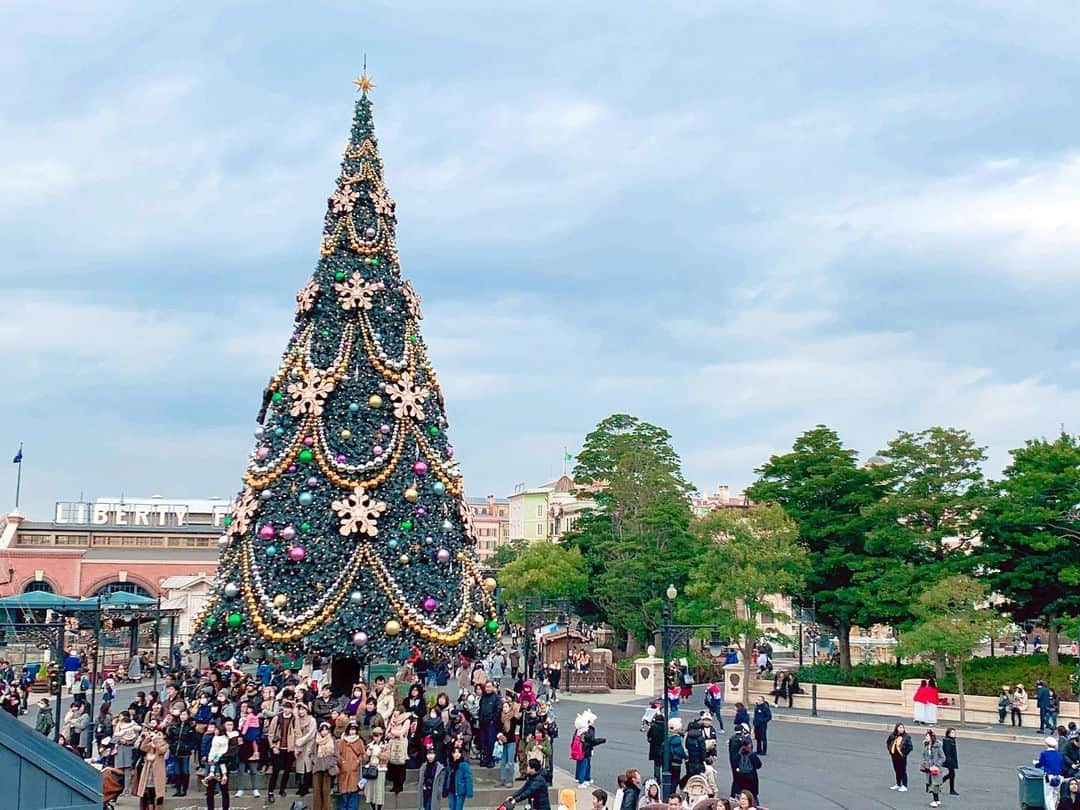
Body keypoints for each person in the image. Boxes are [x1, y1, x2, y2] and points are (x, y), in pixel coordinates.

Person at [135, 725, 169, 810]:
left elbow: (162, 751)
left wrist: (157, 741)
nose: (157, 735)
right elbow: (142, 748)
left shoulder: (165, 744)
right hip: (148, 771)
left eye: (160, 734)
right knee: (149, 792)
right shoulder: (151, 744)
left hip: (158, 772)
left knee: (158, 794)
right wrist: (148, 738)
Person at [337, 720, 367, 810]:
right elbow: (338, 754)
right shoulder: (342, 742)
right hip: (344, 771)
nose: (352, 732)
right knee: (344, 793)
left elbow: (363, 754)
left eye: (354, 729)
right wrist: (342, 763)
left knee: (354, 793)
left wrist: (358, 761)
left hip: (355, 771)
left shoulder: (359, 741)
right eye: (351, 729)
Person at [203, 725, 231, 810]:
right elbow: (212, 750)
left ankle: (225, 808)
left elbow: (222, 751)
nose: (215, 731)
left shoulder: (225, 740)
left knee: (224, 790)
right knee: (210, 790)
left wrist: (216, 759)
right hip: (213, 764)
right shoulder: (213, 738)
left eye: (216, 730)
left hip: (221, 764)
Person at [364, 725, 391, 810]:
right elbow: (365, 758)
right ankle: (373, 808)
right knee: (370, 791)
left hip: (380, 769)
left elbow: (387, 757)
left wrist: (379, 753)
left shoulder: (385, 745)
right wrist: (368, 753)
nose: (376, 737)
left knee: (379, 791)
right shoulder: (370, 745)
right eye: (374, 735)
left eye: (378, 735)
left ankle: (379, 808)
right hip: (371, 769)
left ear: (381, 735)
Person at [730, 737, 761, 805]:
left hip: (741, 779)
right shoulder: (752, 755)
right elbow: (759, 765)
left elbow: (735, 764)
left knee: (743, 798)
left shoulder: (738, 755)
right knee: (754, 797)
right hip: (751, 778)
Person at [443, 745, 474, 810]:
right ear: (452, 754)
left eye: (459, 752)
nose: (457, 754)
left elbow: (468, 778)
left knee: (458, 808)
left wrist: (469, 792)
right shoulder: (449, 764)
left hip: (460, 791)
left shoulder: (464, 764)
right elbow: (446, 777)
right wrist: (444, 789)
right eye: (455, 752)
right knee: (452, 807)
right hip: (450, 790)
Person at [1038, 735, 1066, 810]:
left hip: (1049, 776)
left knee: (1048, 795)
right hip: (1058, 776)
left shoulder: (1044, 753)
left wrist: (1036, 764)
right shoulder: (1059, 754)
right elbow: (1062, 765)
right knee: (1056, 794)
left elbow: (1040, 764)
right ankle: (1054, 807)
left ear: (1047, 744)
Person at [921, 729, 945, 808]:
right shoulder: (926, 746)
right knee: (931, 783)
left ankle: (935, 801)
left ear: (931, 737)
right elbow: (924, 756)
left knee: (934, 784)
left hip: (935, 768)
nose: (926, 737)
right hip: (929, 768)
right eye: (926, 736)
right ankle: (937, 799)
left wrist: (936, 765)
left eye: (927, 736)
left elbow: (943, 757)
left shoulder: (937, 746)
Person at [886, 723, 913, 792]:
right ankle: (898, 784)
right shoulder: (893, 735)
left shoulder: (906, 736)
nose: (901, 729)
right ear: (896, 728)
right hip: (894, 755)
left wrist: (904, 753)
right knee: (896, 769)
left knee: (902, 770)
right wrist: (890, 750)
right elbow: (888, 742)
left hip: (902, 756)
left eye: (902, 728)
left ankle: (904, 785)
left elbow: (910, 747)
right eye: (900, 727)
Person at [416, 745, 443, 810]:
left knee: (431, 806)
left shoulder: (439, 767)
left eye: (432, 754)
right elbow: (421, 780)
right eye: (428, 754)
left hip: (434, 791)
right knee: (425, 806)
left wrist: (439, 791)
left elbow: (441, 782)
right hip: (425, 791)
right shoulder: (424, 766)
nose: (430, 756)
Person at [665, 717, 686, 792]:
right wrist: (685, 756)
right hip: (676, 762)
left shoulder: (667, 736)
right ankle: (672, 792)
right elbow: (680, 751)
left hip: (669, 761)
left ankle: (669, 791)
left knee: (670, 778)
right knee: (675, 779)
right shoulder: (677, 739)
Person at [942, 727, 959, 796]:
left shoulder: (952, 740)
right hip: (949, 760)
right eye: (952, 732)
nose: (954, 734)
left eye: (954, 732)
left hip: (951, 760)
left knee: (951, 774)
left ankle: (938, 783)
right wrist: (950, 762)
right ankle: (951, 790)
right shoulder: (947, 741)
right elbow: (947, 752)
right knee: (952, 774)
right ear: (948, 734)